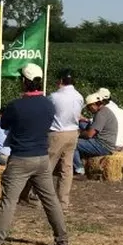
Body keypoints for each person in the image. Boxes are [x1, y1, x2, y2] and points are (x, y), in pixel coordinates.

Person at [0, 63, 68, 245]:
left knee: (9, 201)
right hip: (42, 158)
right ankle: (62, 239)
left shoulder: (16, 106)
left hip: (20, 158)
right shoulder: (48, 104)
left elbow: (4, 124)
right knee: (50, 199)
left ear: (24, 81)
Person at [48, 68, 84, 209]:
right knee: (66, 168)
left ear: (61, 80)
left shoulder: (54, 97)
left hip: (57, 132)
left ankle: (39, 196)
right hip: (73, 132)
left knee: (48, 166)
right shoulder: (79, 96)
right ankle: (63, 201)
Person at [72, 92, 120, 175]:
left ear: (94, 105)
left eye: (88, 107)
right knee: (82, 124)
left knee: (71, 143)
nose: (88, 109)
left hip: (103, 145)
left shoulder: (101, 114)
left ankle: (79, 168)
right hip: (105, 142)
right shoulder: (104, 110)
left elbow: (89, 134)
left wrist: (77, 133)